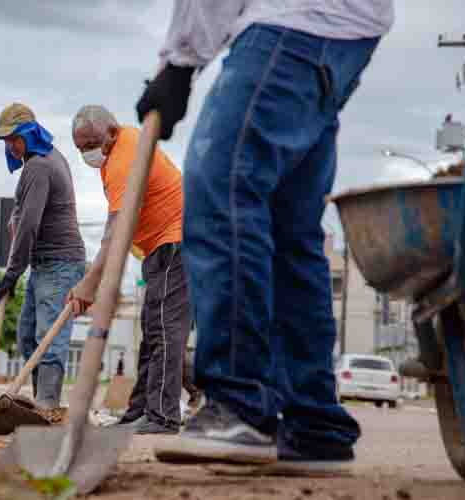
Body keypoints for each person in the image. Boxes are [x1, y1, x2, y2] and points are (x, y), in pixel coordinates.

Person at [136, 1, 393, 472]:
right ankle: (313, 423)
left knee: (221, 187)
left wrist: (180, 60)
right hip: (349, 31)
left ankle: (238, 404)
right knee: (287, 227)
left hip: (295, 21)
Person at [69, 105, 191, 435]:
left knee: (165, 330)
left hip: (178, 242)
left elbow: (116, 232)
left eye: (92, 143)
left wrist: (88, 285)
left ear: (111, 131)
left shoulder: (125, 158)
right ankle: (140, 412)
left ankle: (163, 417)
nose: (87, 153)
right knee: (153, 331)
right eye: (80, 148)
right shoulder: (117, 153)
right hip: (159, 247)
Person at [0, 103, 86, 409]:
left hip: (60, 264)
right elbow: (23, 213)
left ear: (27, 135)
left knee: (49, 338)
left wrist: (11, 274)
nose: (8, 146)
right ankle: (38, 403)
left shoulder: (40, 166)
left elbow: (29, 226)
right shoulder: (43, 159)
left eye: (11, 139)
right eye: (4, 140)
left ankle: (47, 404)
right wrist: (13, 220)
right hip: (43, 263)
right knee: (28, 336)